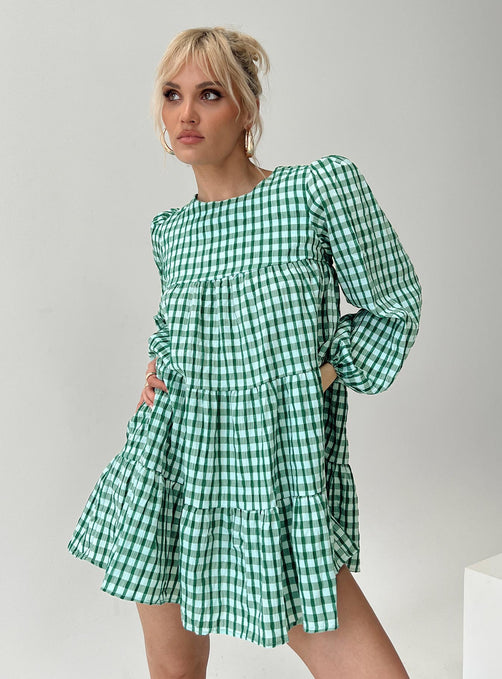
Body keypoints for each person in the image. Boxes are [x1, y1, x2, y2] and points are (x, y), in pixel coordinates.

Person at [67, 26, 422, 679]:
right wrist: (157, 367)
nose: (186, 113)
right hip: (172, 468)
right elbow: (175, 328)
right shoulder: (172, 232)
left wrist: (323, 373)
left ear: (247, 109)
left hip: (270, 473)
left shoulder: (315, 191)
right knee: (176, 672)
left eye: (209, 94)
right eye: (172, 95)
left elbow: (395, 303)